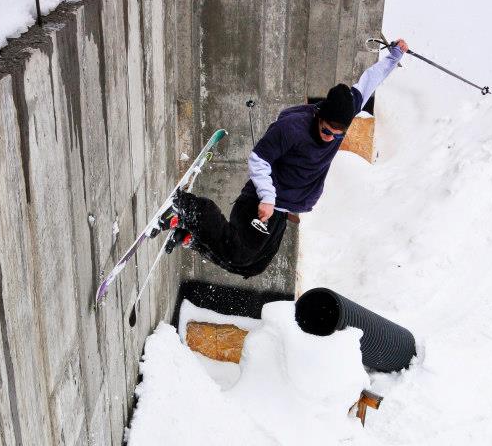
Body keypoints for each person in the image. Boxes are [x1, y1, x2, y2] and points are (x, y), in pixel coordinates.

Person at [161, 39, 409, 278]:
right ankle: (186, 206)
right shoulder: (292, 129)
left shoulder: (345, 111)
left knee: (253, 267)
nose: (330, 138)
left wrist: (394, 55)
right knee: (237, 253)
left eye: (337, 135)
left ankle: (188, 236)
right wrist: (267, 197)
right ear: (319, 116)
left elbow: (368, 82)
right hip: (261, 201)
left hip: (282, 208)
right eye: (326, 131)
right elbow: (259, 158)